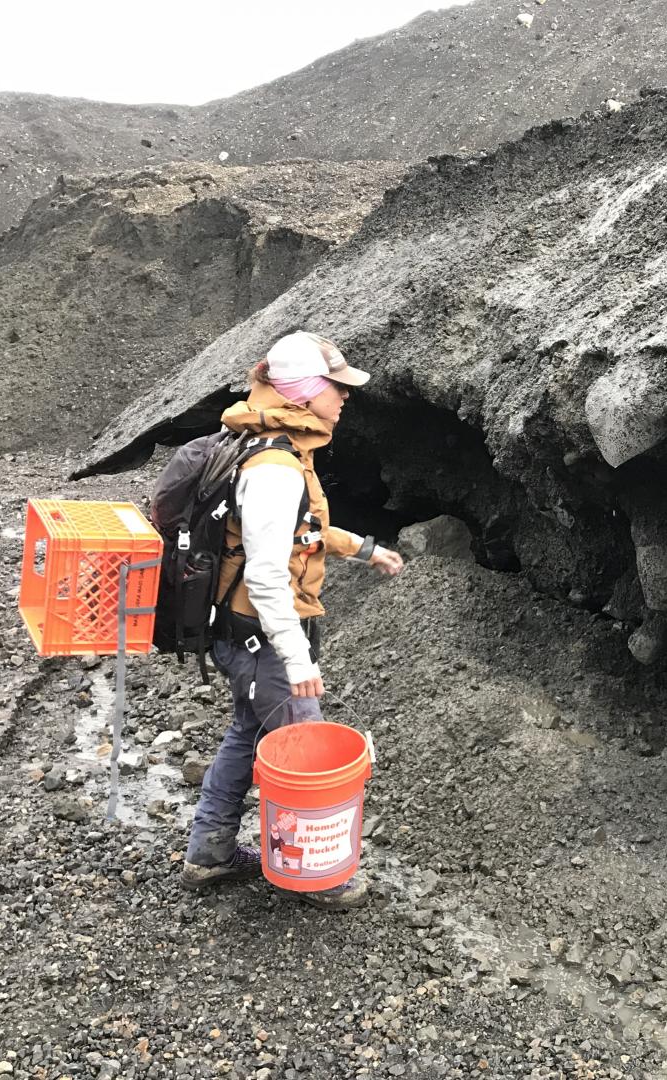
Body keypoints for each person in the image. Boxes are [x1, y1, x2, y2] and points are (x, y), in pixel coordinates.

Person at [181, 330, 403, 909]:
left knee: (246, 735)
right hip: (263, 641)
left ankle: (209, 853)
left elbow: (301, 532)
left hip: (241, 635)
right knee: (303, 750)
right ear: (304, 392)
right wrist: (297, 659)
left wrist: (364, 549)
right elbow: (265, 575)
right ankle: (319, 874)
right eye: (336, 385)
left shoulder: (268, 444)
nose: (345, 395)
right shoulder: (276, 467)